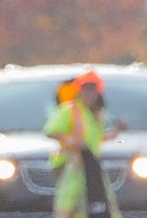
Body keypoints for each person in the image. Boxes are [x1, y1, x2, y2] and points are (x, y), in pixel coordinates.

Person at [44, 72, 125, 218]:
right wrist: (72, 142)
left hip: (91, 164)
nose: (90, 94)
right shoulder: (69, 110)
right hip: (73, 163)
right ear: (79, 91)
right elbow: (50, 131)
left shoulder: (94, 115)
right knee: (67, 202)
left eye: (93, 90)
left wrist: (115, 132)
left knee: (101, 199)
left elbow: (96, 138)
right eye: (86, 89)